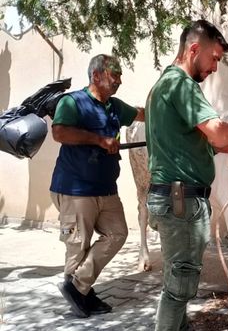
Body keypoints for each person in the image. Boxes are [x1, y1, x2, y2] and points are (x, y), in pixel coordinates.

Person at [145, 19, 228, 331]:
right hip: (181, 199)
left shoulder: (163, 85)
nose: (215, 68)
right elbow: (216, 132)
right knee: (178, 285)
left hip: (175, 195)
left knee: (181, 281)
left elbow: (190, 143)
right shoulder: (181, 85)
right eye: (214, 58)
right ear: (194, 49)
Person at [50, 54, 145, 318]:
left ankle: (77, 287)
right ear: (96, 76)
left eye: (120, 75)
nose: (119, 81)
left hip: (105, 189)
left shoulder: (115, 106)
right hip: (74, 188)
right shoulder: (73, 102)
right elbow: (59, 132)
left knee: (118, 233)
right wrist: (99, 140)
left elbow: (141, 114)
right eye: (115, 75)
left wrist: (167, 116)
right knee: (78, 245)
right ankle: (81, 296)